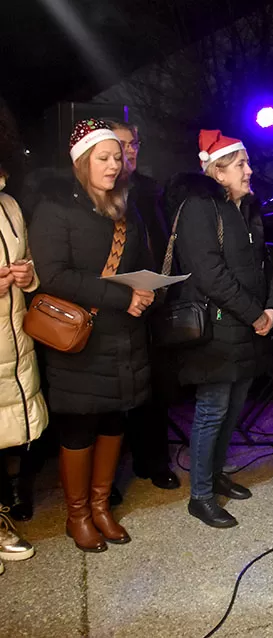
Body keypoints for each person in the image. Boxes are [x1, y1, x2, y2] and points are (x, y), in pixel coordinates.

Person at [30, 119, 155, 552]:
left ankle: (102, 507)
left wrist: (146, 289)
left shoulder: (127, 206)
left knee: (114, 419)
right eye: (103, 157)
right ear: (82, 161)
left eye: (117, 157)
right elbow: (55, 275)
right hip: (80, 338)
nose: (113, 165)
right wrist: (124, 296)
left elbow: (137, 264)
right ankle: (78, 514)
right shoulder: (56, 207)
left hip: (125, 335)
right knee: (80, 427)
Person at [163, 130, 273, 528]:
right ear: (217, 171)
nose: (251, 170)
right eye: (241, 164)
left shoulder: (246, 208)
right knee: (212, 410)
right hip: (217, 329)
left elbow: (266, 265)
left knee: (233, 409)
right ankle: (200, 495)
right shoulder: (200, 207)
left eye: (247, 163)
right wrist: (254, 314)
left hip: (248, 325)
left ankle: (215, 475)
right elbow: (210, 274)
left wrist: (272, 307)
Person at [106, 120, 180, 496]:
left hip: (154, 299)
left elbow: (165, 240)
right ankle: (108, 477)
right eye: (120, 145)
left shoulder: (150, 190)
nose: (128, 151)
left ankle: (154, 461)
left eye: (132, 144)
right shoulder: (97, 193)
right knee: (114, 394)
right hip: (114, 303)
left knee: (155, 387)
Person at [0, 164, 47, 568]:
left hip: (14, 341)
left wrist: (28, 275)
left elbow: (28, 261)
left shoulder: (10, 205)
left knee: (7, 436)